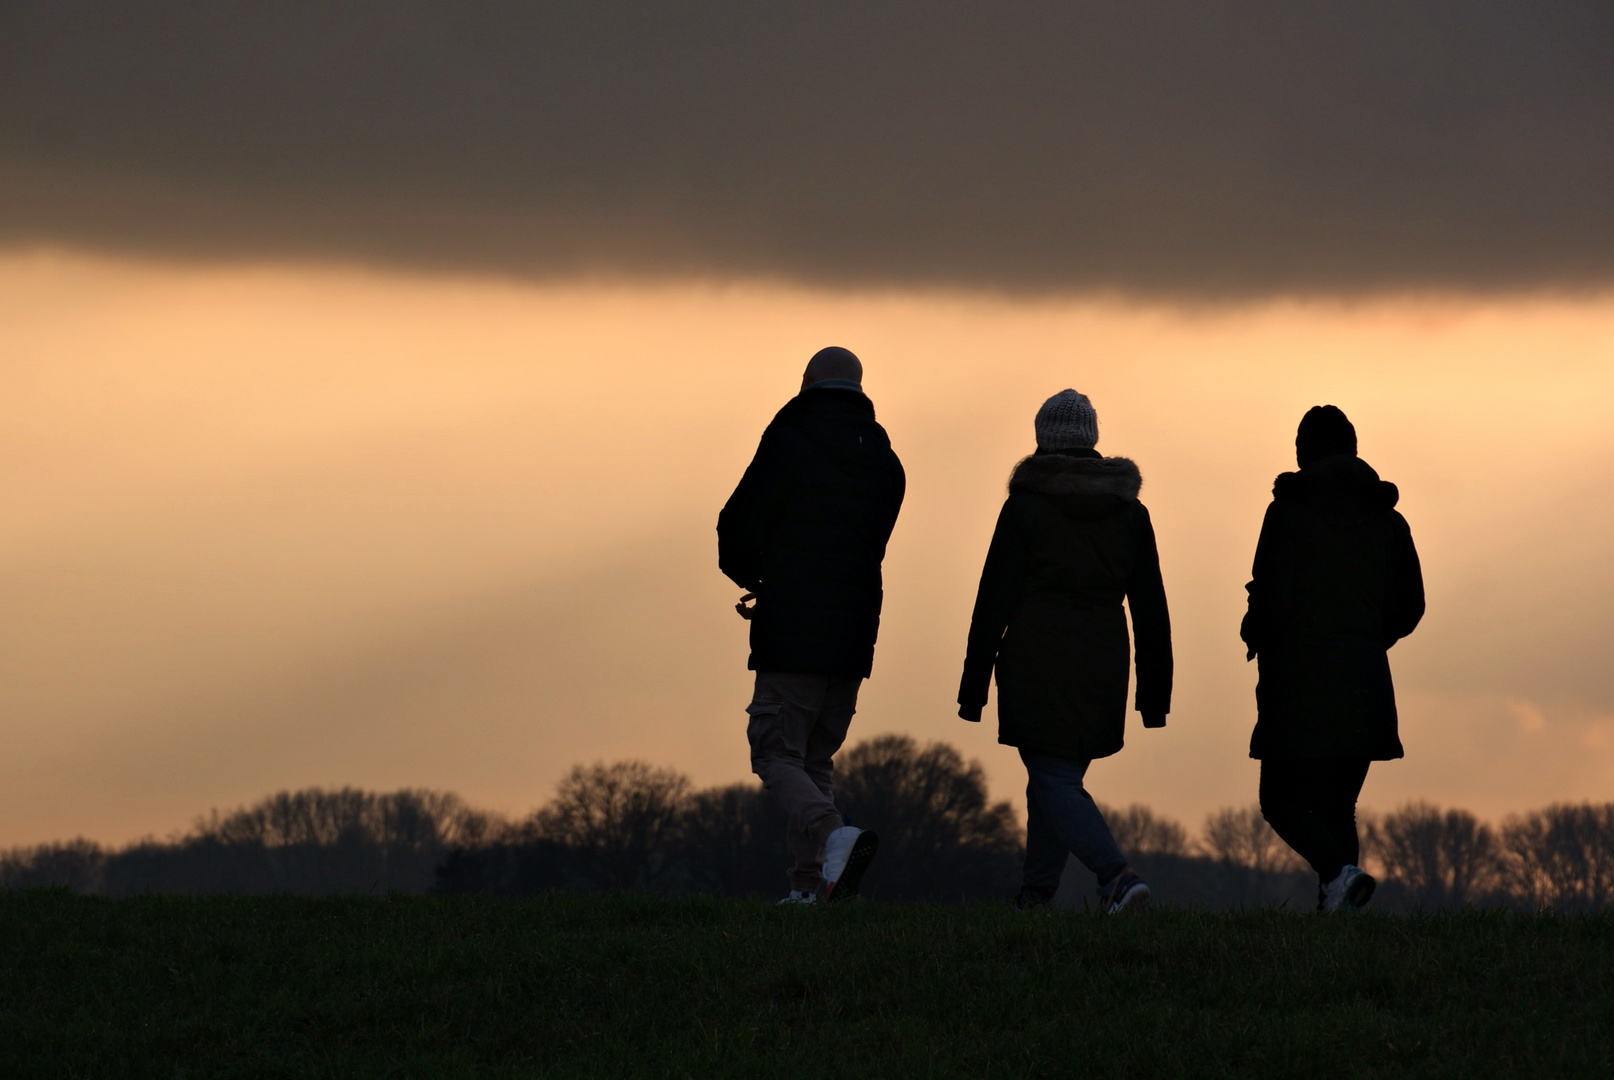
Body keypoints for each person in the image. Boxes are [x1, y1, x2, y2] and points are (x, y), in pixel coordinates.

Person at [958, 390, 1172, 914]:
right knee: (1055, 778)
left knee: (1052, 777)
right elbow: (1151, 610)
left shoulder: (1026, 507)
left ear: (1041, 440)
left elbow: (994, 600)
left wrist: (973, 686)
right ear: (1092, 438)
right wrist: (1154, 695)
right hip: (1103, 661)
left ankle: (1115, 876)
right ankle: (1035, 897)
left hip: (1036, 658)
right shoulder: (1130, 513)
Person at [717, 346, 906, 903]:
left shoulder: (788, 440)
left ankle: (833, 836)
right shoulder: (886, 460)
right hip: (854, 634)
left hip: (793, 627)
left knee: (774, 751)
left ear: (808, 382)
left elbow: (736, 527)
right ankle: (809, 888)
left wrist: (759, 575)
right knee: (815, 761)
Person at [1241, 405, 1425, 912]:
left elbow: (1267, 595)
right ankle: (1340, 915)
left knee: (1279, 800)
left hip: (1297, 683)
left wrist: (1260, 632)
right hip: (1365, 681)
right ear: (1352, 449)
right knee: (1338, 805)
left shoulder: (1287, 513)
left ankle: (1339, 874)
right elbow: (1411, 607)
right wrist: (1366, 640)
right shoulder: (1389, 520)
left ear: (1304, 451)